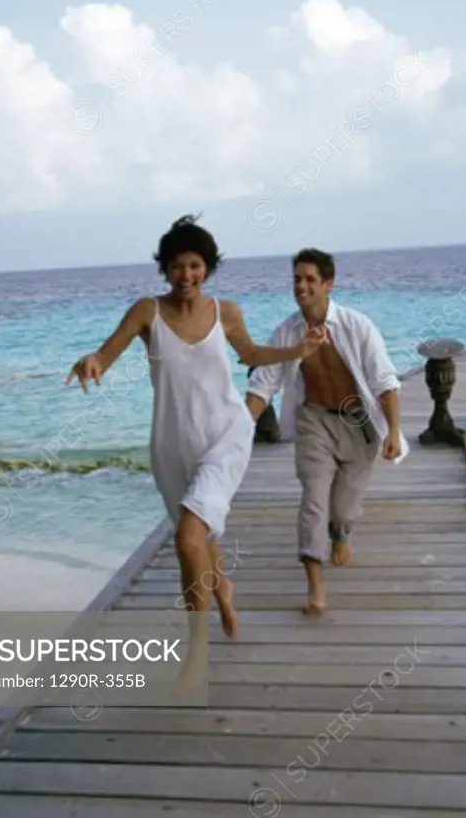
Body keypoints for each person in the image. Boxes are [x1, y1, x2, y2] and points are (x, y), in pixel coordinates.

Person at [65, 216, 327, 650]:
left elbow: (252, 354)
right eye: (176, 266)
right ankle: (222, 590)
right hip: (171, 446)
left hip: (225, 436)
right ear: (164, 269)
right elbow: (106, 354)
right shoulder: (147, 311)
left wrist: (297, 351)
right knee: (203, 539)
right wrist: (92, 361)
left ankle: (196, 651)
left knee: (189, 539)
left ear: (207, 268)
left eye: (194, 265)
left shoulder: (225, 312)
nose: (186, 275)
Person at [245, 247, 408, 615]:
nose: (301, 286)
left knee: (344, 508)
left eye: (309, 279)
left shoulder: (356, 326)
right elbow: (263, 384)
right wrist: (238, 432)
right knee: (314, 500)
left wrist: (394, 431)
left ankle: (342, 533)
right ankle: (316, 589)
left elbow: (385, 380)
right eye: (297, 279)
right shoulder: (287, 332)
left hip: (357, 421)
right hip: (313, 419)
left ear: (328, 284)